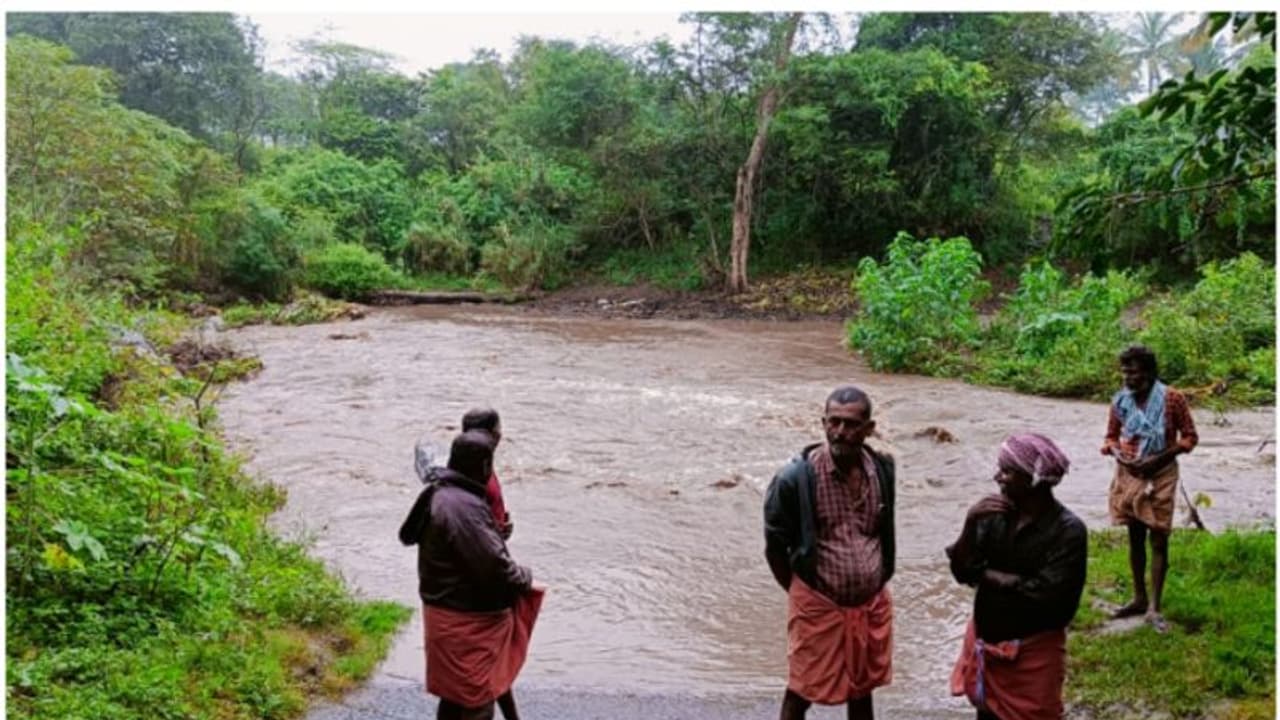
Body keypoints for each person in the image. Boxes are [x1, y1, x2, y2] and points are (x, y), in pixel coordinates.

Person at [763, 386, 896, 720]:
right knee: (802, 686)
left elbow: (882, 530)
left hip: (869, 602)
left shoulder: (882, 470)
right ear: (823, 422)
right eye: (833, 422)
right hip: (818, 604)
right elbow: (775, 547)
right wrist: (804, 592)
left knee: (862, 687)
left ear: (870, 429)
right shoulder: (795, 479)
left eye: (851, 424)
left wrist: (878, 577)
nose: (840, 432)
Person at [398, 431, 542, 720]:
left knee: (455, 696)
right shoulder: (464, 508)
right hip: (468, 620)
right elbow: (496, 568)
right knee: (478, 699)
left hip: (443, 614)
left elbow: (409, 535)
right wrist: (526, 577)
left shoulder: (439, 494)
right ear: (485, 465)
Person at [947, 433, 1087, 720]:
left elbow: (1053, 601)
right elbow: (962, 570)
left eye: (1007, 471)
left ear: (1033, 479)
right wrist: (970, 522)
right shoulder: (993, 515)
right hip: (988, 648)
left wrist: (988, 576)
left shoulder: (1068, 530)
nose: (998, 477)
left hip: (1033, 658)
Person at [1101, 345, 1198, 632]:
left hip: (1161, 474)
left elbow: (1190, 437)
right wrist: (1120, 455)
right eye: (1124, 371)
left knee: (1158, 538)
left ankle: (1154, 606)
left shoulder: (1172, 399)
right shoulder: (1121, 402)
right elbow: (1110, 438)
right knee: (1134, 537)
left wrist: (1159, 458)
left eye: (1132, 371)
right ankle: (1139, 597)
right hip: (1129, 473)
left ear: (1149, 371)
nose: (1127, 377)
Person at [462, 408, 514, 540]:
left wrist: (500, 525)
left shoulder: (481, 462)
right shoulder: (473, 472)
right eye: (497, 430)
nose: (500, 435)